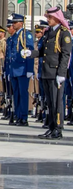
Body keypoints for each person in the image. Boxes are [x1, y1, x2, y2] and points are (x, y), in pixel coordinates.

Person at [25, 7, 71, 139]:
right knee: (49, 102)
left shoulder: (64, 33)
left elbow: (65, 55)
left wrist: (62, 73)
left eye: (50, 17)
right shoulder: (48, 32)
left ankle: (58, 128)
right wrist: (31, 53)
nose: (48, 19)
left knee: (57, 103)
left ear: (57, 18)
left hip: (56, 73)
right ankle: (51, 127)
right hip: (46, 72)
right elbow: (42, 52)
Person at [9, 13, 34, 127]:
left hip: (23, 69)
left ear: (21, 23)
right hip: (14, 69)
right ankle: (18, 116)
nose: (13, 24)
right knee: (16, 94)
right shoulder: (14, 36)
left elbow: (30, 52)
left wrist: (29, 69)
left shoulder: (26, 35)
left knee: (23, 94)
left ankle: (24, 118)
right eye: (13, 22)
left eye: (15, 22)